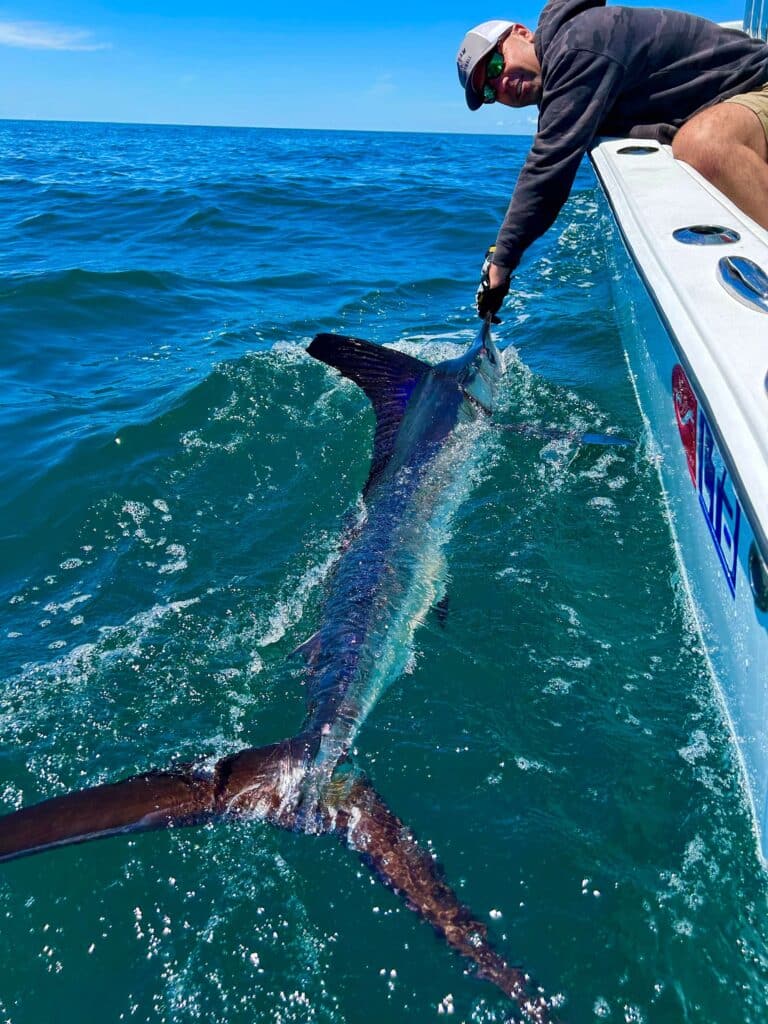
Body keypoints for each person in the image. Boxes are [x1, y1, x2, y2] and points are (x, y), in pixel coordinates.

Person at [457, 4, 768, 320]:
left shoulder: (576, 45)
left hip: (758, 84)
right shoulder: (569, 75)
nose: (501, 85)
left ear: (522, 34)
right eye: (489, 91)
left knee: (704, 144)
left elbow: (548, 167)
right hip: (733, 103)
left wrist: (501, 266)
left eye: (496, 66)